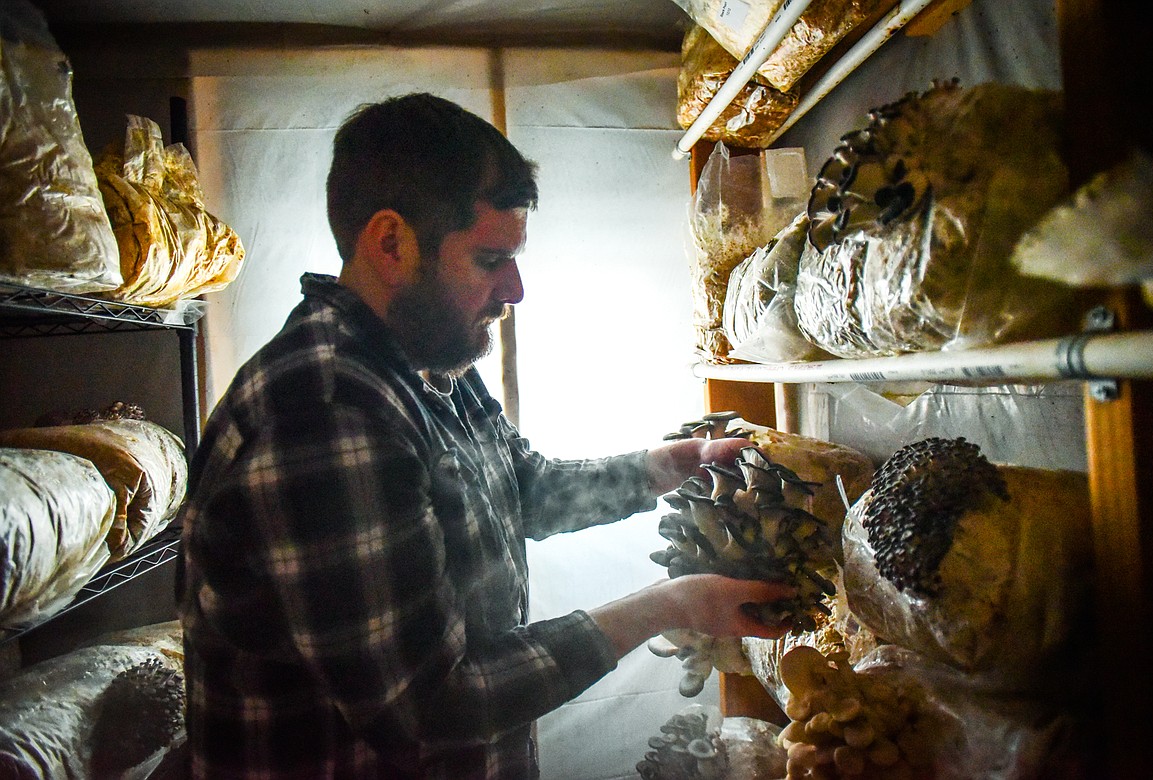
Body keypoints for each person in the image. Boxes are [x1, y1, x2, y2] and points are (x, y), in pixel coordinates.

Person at [177, 92, 792, 779]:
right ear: (391, 244)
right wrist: (671, 605)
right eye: (491, 258)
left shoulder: (424, 356)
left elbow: (523, 489)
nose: (517, 288)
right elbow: (429, 708)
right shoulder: (324, 410)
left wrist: (669, 466)